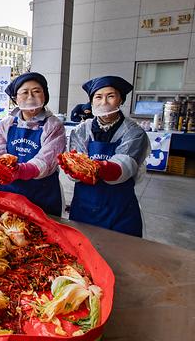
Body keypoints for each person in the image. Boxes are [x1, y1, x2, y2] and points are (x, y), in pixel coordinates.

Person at [60, 76, 150, 237]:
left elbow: (125, 167)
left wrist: (93, 167)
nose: (104, 102)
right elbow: (75, 167)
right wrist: (74, 168)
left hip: (120, 209)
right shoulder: (81, 130)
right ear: (92, 102)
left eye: (111, 96)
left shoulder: (134, 132)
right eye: (98, 97)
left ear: (121, 100)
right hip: (84, 206)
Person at [0, 72, 66, 216]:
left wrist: (19, 171)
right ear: (15, 98)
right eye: (24, 92)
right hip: (8, 192)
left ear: (45, 95)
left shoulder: (54, 125)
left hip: (42, 195)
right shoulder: (6, 124)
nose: (30, 97)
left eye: (36, 91)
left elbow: (47, 161)